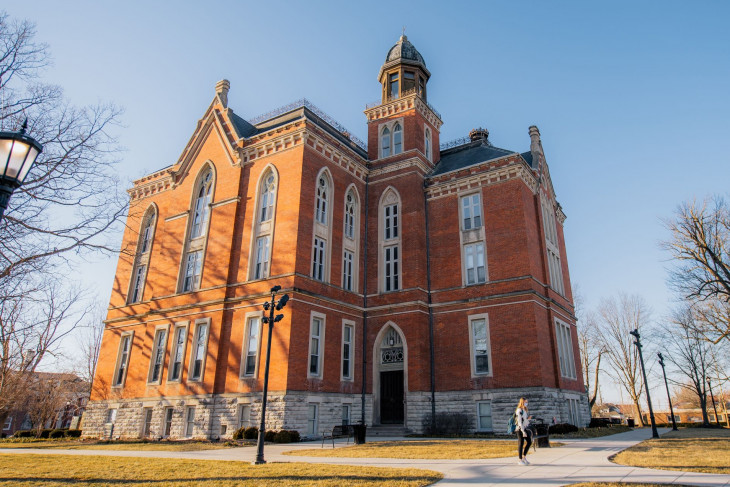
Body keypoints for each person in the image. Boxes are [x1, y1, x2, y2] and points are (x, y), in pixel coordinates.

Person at [515, 397, 533, 465]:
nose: (526, 403)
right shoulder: (519, 410)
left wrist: (528, 419)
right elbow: (519, 422)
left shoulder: (524, 410)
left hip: (524, 428)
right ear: (522, 402)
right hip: (519, 429)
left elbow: (524, 421)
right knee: (521, 443)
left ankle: (524, 457)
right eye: (525, 402)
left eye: (527, 402)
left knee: (529, 441)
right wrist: (523, 431)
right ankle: (520, 460)